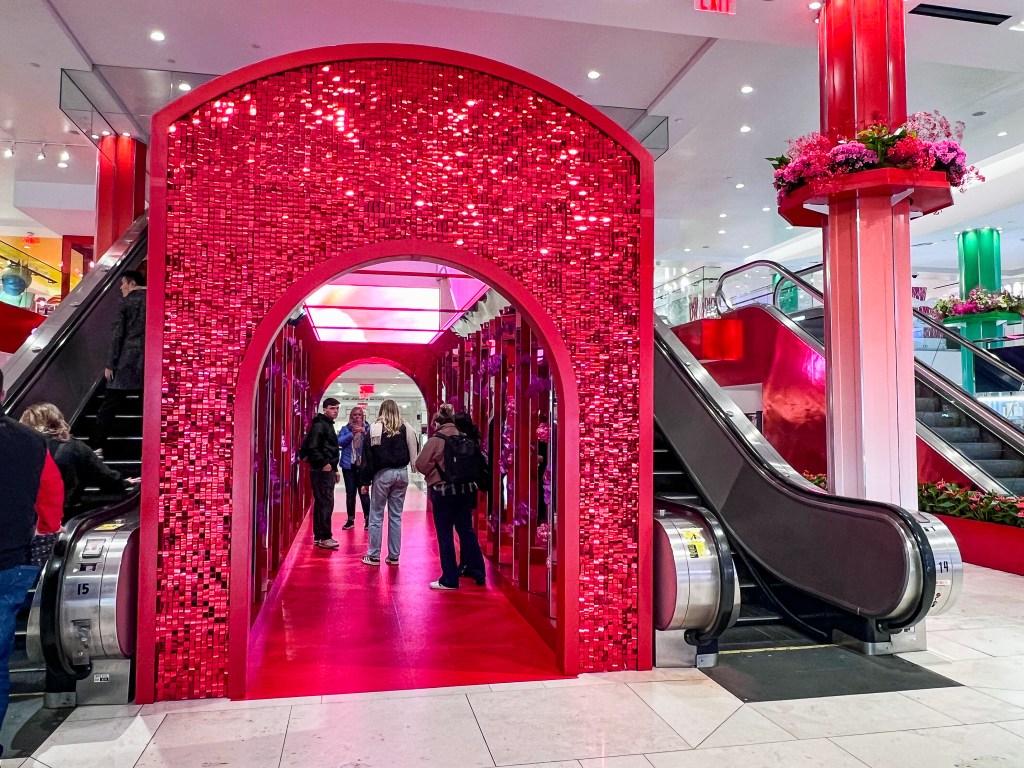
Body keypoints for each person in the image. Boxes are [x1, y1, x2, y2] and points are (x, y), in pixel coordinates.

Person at [0, 370, 63, 757]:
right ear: (3, 391)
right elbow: (51, 500)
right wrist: (43, 532)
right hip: (12, 562)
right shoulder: (31, 441)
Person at [19, 402, 140, 521]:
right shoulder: (74, 447)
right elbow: (103, 476)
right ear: (57, 419)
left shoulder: (16, 448)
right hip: (64, 515)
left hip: (23, 516)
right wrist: (123, 482)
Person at [416, 404, 487, 590]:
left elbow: (420, 464)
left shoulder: (436, 440)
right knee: (466, 531)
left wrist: (435, 471)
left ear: (437, 422)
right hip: (465, 491)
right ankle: (478, 571)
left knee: (445, 534)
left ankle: (449, 579)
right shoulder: (464, 436)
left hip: (444, 492)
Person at [359, 399, 419, 566]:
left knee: (376, 515)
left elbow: (368, 457)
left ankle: (374, 555)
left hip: (382, 474)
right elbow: (415, 449)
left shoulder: (375, 428)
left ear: (381, 410)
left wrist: (365, 481)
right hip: (402, 473)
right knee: (396, 516)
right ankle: (394, 556)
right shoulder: (406, 427)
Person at [94, 269, 147, 456]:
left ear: (132, 283)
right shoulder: (154, 301)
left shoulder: (126, 303)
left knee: (109, 405)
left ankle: (97, 446)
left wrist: (110, 363)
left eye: (123, 283)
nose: (121, 288)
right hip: (147, 363)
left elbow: (118, 335)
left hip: (125, 360)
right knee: (146, 405)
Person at [300, 398, 341, 550]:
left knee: (321, 502)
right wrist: (325, 464)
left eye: (337, 408)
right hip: (322, 470)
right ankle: (325, 537)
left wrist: (333, 468)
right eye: (332, 408)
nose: (335, 411)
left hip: (323, 469)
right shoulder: (321, 425)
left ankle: (319, 536)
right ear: (325, 409)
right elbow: (313, 447)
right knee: (325, 502)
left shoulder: (324, 424)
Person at [337, 407, 371, 531]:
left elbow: (373, 444)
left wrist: (364, 432)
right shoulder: (345, 429)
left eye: (359, 415)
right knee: (350, 494)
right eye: (354, 415)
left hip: (363, 467)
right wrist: (351, 434)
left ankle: (368, 519)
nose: (357, 417)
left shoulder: (368, 429)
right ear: (351, 416)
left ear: (363, 416)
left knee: (364, 493)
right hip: (348, 466)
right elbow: (339, 442)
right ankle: (350, 520)